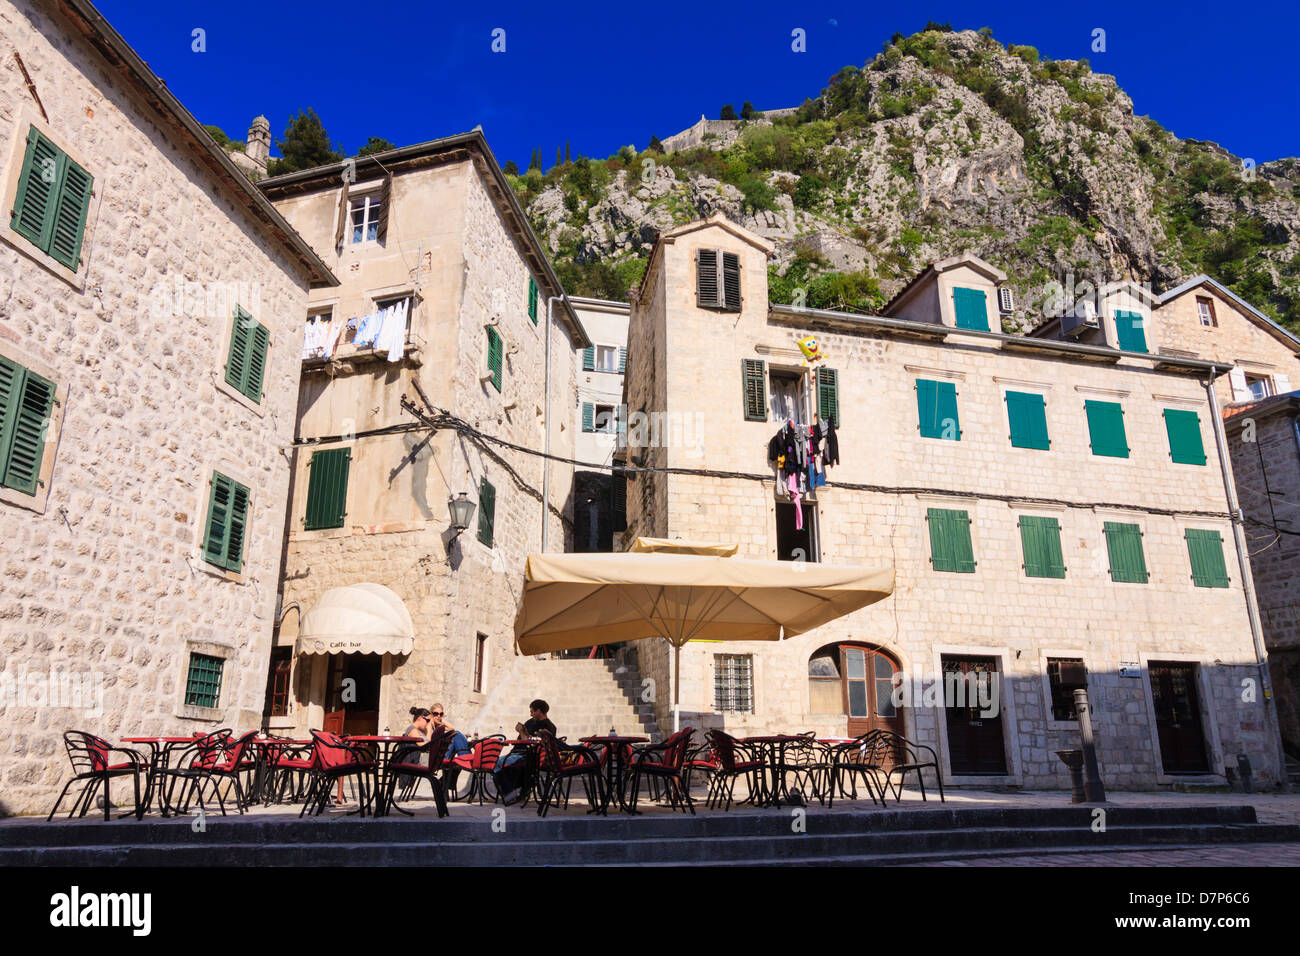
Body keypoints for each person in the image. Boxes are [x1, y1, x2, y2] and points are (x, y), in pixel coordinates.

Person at [493, 699, 556, 804]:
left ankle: (509, 794)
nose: (530, 714)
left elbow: (531, 743)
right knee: (499, 765)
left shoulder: (548, 727)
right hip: (518, 752)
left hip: (528, 755)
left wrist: (522, 731)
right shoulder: (530, 722)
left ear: (539, 711)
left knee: (495, 763)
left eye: (532, 711)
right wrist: (523, 732)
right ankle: (511, 792)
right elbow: (524, 739)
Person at [429, 702, 471, 793]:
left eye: (441, 714)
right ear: (431, 714)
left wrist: (440, 721)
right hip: (434, 757)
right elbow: (429, 742)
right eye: (435, 713)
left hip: (442, 753)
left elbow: (452, 728)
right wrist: (432, 720)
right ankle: (468, 758)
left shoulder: (439, 726)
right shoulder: (429, 726)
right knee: (456, 735)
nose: (438, 716)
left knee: (457, 763)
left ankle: (443, 783)